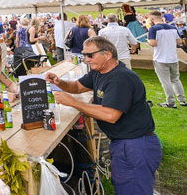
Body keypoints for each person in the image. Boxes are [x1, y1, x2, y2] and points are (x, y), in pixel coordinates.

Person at [46, 36, 161, 195]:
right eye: (84, 55)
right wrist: (59, 82)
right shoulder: (99, 72)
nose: (86, 59)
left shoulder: (120, 78)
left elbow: (110, 115)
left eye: (90, 55)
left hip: (135, 145)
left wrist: (73, 102)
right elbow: (77, 87)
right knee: (125, 187)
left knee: (133, 189)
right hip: (125, 142)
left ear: (107, 55)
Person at [147, 10, 186, 108]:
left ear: (152, 18)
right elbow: (179, 41)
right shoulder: (173, 27)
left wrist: (147, 40)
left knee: (166, 82)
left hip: (161, 58)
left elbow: (153, 43)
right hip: (173, 57)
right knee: (176, 80)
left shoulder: (153, 29)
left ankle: (171, 102)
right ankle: (182, 100)